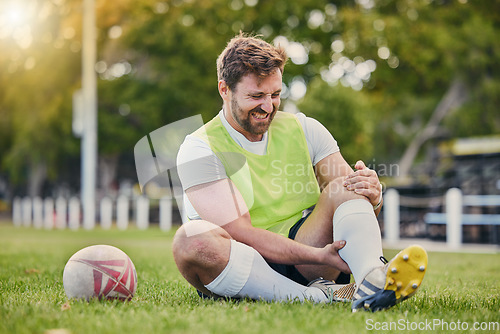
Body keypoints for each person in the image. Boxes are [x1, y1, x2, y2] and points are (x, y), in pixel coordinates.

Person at [172, 33, 427, 311]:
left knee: (346, 185)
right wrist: (320, 256)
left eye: (275, 94)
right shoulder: (199, 149)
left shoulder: (306, 129)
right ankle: (314, 296)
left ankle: (372, 280)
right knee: (190, 240)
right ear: (224, 89)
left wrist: (372, 196)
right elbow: (242, 234)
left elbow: (354, 203)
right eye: (256, 96)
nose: (268, 107)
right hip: (243, 266)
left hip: (307, 259)